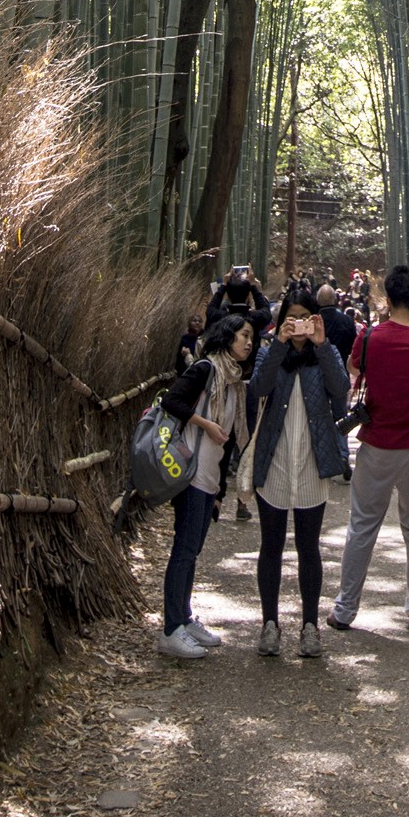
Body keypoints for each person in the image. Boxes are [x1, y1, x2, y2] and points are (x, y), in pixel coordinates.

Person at [327, 262, 409, 633]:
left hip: (376, 445)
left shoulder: (369, 338)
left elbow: (353, 367)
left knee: (362, 527)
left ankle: (345, 610)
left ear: (386, 297)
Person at [245, 292, 351, 658]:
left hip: (311, 461)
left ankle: (310, 626)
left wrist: (322, 346)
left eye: (306, 317)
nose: (300, 324)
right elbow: (257, 387)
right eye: (292, 317)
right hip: (273, 459)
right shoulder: (268, 350)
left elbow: (342, 390)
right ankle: (269, 624)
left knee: (309, 547)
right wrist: (278, 343)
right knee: (270, 545)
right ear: (281, 320)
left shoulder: (327, 353)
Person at [154, 313, 254, 661]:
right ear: (227, 337)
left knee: (192, 551)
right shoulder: (206, 370)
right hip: (189, 473)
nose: (249, 342)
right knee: (183, 551)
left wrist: (220, 494)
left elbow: (227, 444)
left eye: (251, 337)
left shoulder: (232, 381)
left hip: (209, 476)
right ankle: (170, 630)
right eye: (243, 335)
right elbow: (170, 402)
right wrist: (204, 424)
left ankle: (184, 618)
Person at [205, 263, 270, 338]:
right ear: (248, 297)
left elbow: (210, 310)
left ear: (228, 296)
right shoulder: (255, 317)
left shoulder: (221, 317)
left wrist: (224, 284)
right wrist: (254, 286)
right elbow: (265, 310)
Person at [316, 281, 358, 368]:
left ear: (317, 300)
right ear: (335, 299)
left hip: (317, 369)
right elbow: (353, 346)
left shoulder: (313, 322)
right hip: (341, 365)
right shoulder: (347, 320)